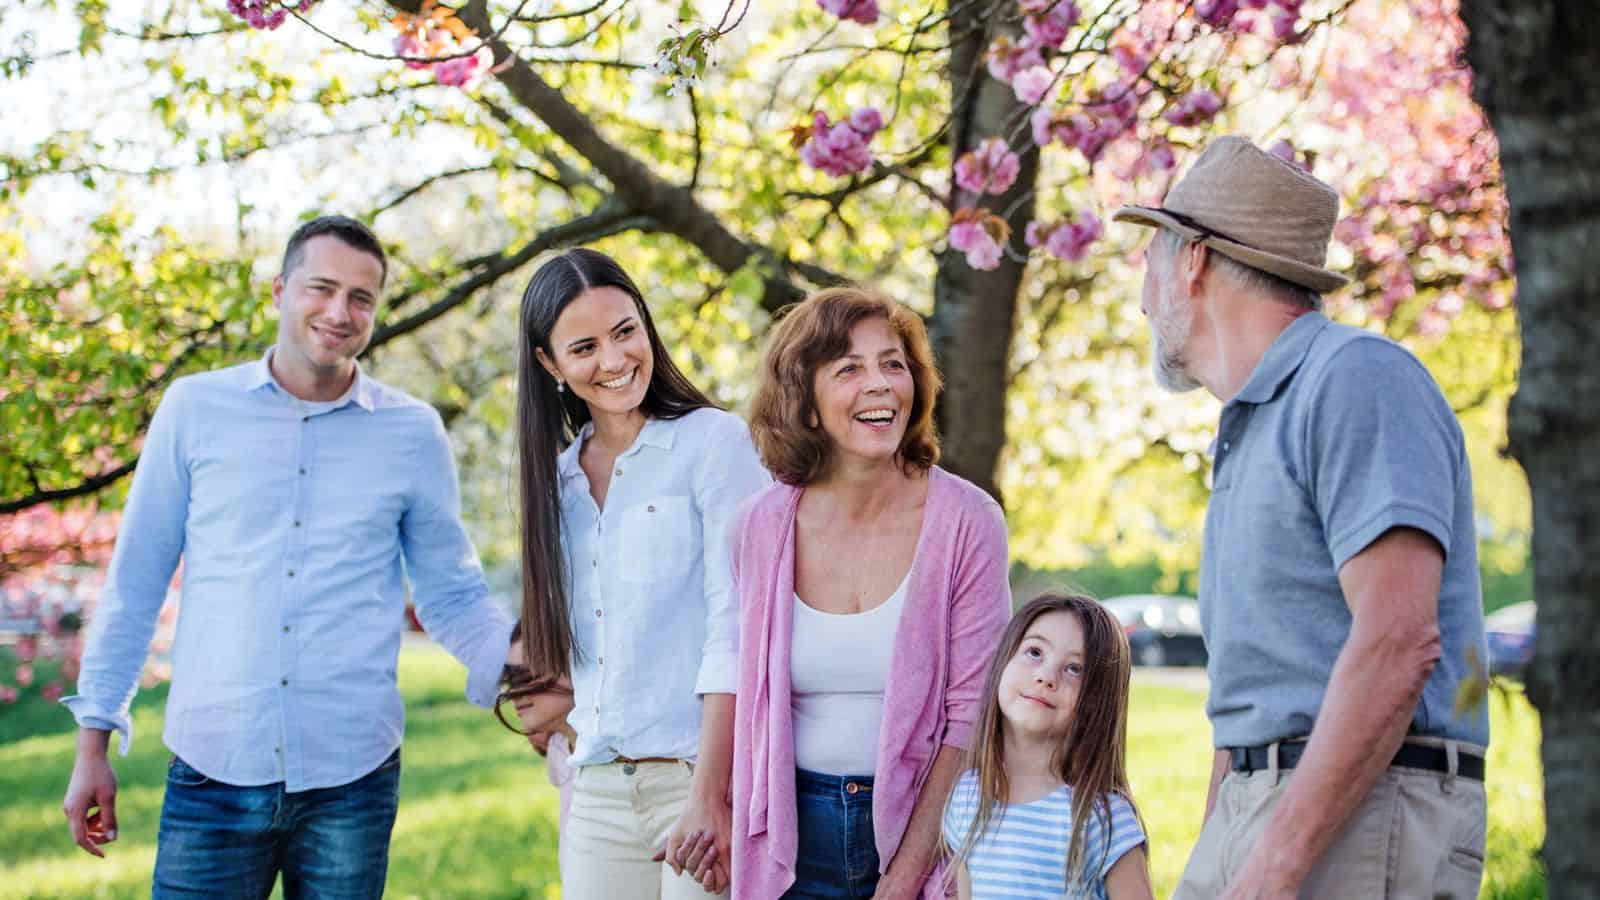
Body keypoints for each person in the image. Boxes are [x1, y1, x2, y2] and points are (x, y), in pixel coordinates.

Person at [59, 215, 517, 897]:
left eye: (361, 298)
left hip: (352, 780)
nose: (339, 312)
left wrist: (529, 673)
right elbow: (136, 582)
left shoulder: (411, 433)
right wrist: (93, 742)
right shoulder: (194, 408)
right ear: (278, 290)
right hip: (213, 769)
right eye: (321, 288)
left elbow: (451, 594)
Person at [1113, 135, 1490, 898]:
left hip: (1365, 809)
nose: (1143, 296)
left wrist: (1273, 870)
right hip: (1262, 806)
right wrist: (1217, 859)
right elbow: (1250, 701)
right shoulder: (1251, 425)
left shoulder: (1357, 379)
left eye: (1150, 259)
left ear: (1194, 261)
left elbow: (1398, 640)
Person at [730, 287, 1012, 899]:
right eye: (849, 369)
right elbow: (746, 698)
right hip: (790, 839)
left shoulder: (968, 521)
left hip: (922, 830)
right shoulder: (759, 527)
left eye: (893, 363)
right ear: (804, 401)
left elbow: (972, 717)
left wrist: (904, 878)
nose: (881, 384)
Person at [512, 247, 769, 899]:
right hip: (597, 787)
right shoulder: (556, 484)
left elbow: (735, 626)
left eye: (626, 331)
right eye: (584, 346)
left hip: (697, 776)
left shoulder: (711, 444)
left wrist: (712, 795)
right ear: (550, 364)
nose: (615, 359)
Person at [943, 593, 1152, 900]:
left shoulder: (1102, 820)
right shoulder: (966, 800)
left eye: (1074, 669)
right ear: (1004, 661)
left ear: (1097, 699)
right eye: (1035, 652)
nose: (1046, 677)